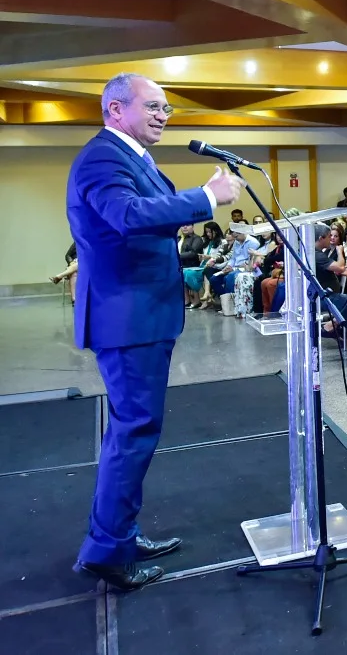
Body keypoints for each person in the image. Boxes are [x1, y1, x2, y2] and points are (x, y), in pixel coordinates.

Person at [67, 73, 244, 591]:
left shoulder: (134, 159)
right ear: (116, 108)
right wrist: (206, 197)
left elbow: (148, 217)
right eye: (153, 106)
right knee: (134, 431)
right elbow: (126, 215)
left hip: (142, 314)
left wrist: (186, 213)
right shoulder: (103, 157)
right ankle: (108, 549)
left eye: (167, 107)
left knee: (133, 430)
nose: (164, 115)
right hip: (129, 318)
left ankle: (118, 532)